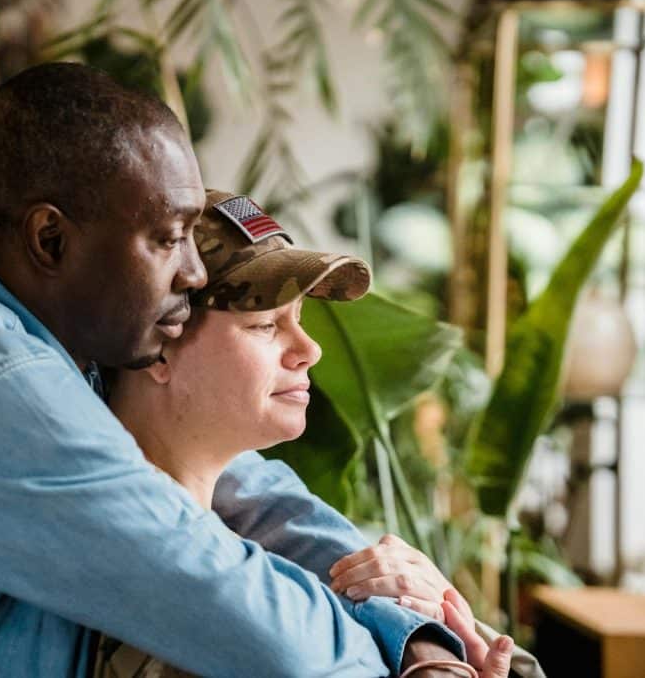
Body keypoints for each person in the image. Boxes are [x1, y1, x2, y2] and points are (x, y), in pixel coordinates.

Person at [0, 62, 470, 676]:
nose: (193, 273)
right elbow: (250, 619)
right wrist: (417, 654)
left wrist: (412, 624)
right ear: (51, 240)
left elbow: (249, 493)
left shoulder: (46, 345)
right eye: (167, 237)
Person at [93, 190, 541, 678]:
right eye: (265, 325)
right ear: (158, 346)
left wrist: (432, 628)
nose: (310, 350)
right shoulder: (149, 578)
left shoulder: (250, 520)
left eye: (300, 319)